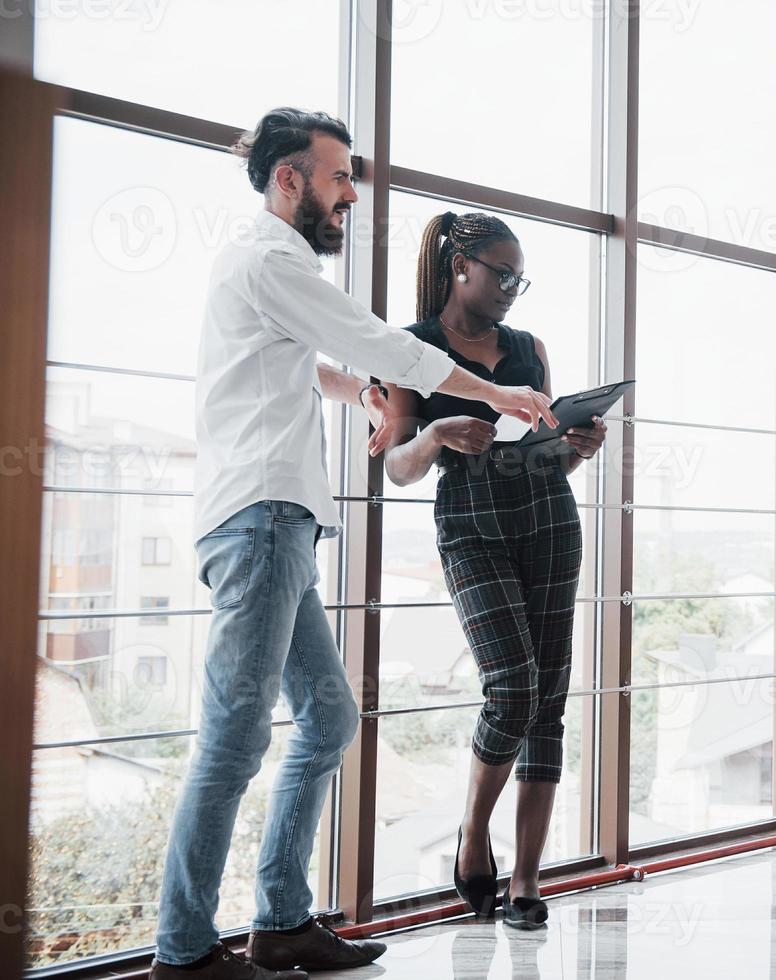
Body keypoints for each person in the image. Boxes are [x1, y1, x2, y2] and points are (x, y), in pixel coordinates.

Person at [151, 109, 557, 980]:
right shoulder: (270, 256)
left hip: (279, 522)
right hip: (259, 521)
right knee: (233, 738)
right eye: (337, 179)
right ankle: (182, 952)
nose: (349, 196)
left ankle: (283, 921)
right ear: (288, 179)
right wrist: (496, 392)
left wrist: (356, 393)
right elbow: (370, 340)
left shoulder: (267, 270)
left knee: (329, 717)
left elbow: (311, 361)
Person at [378, 211, 606, 931]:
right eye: (501, 274)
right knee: (512, 686)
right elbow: (397, 466)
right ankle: (474, 838)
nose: (512, 287)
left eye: (519, 277)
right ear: (459, 267)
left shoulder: (528, 348)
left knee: (548, 701)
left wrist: (579, 445)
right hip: (468, 518)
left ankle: (529, 881)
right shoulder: (412, 348)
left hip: (547, 510)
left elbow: (551, 454)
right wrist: (438, 433)